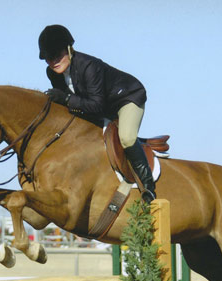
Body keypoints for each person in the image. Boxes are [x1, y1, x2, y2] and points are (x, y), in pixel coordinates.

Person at [38, 24, 156, 203]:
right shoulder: (52, 73)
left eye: (57, 54)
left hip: (127, 99)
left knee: (127, 138)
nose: (53, 61)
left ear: (69, 49)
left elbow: (96, 105)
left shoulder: (89, 66)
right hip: (100, 106)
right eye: (48, 57)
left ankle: (148, 186)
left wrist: (67, 99)